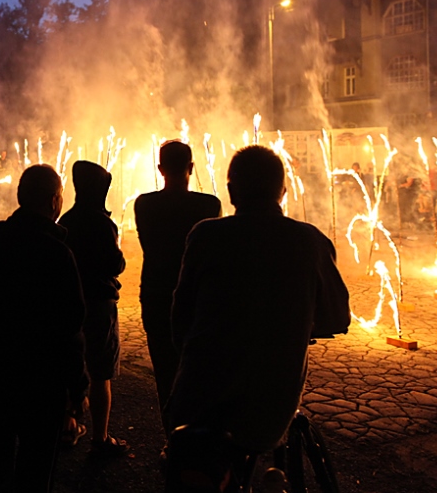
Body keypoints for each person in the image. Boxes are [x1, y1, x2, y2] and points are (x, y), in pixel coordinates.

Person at [166, 145, 350, 474]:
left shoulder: (205, 235)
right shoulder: (310, 242)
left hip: (198, 397)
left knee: (186, 465)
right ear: (283, 191)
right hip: (269, 410)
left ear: (231, 191)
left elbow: (181, 317)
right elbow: (336, 316)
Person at [0, 164, 88, 493]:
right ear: (54, 201)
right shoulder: (58, 254)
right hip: (44, 381)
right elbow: (71, 330)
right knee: (36, 469)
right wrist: (78, 388)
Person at [133, 140, 221, 445]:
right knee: (199, 371)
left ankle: (173, 440)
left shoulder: (144, 204)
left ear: (159, 169)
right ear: (191, 168)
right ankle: (198, 441)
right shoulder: (209, 205)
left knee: (165, 373)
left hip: (157, 295)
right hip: (197, 298)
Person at [57, 160, 129, 457]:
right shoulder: (102, 222)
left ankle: (68, 426)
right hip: (99, 304)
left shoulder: (66, 220)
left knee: (67, 367)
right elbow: (114, 263)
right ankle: (100, 438)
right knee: (101, 373)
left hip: (69, 304)